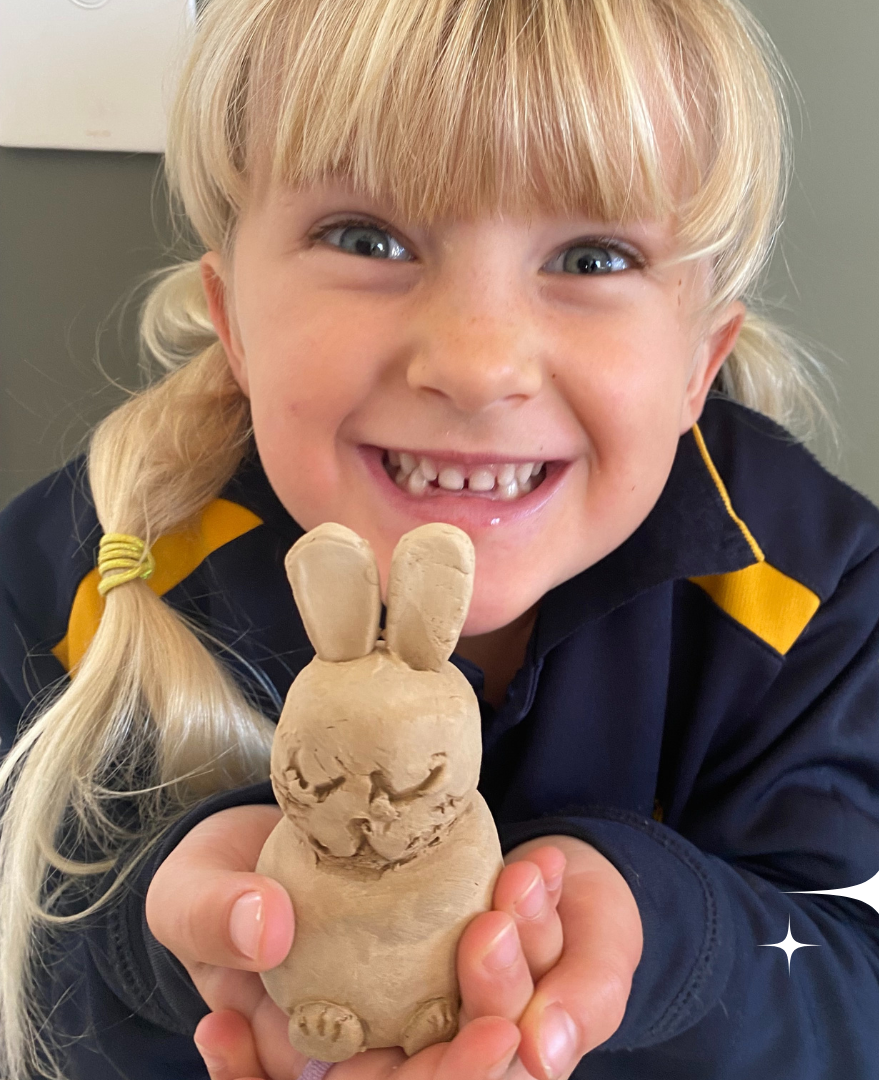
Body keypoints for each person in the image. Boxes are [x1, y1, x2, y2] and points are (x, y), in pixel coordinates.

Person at [2, 0, 878, 1077]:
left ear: (701, 357)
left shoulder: (819, 597)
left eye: (595, 258)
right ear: (233, 317)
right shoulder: (77, 578)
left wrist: (664, 949)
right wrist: (168, 951)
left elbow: (856, 987)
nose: (477, 361)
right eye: (368, 239)